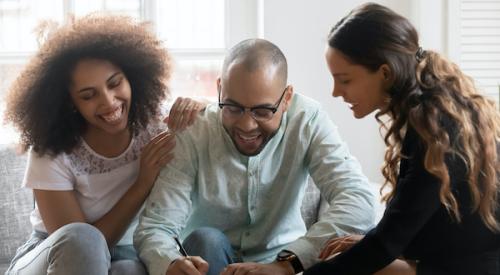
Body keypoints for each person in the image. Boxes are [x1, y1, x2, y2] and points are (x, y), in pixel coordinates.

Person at [134, 38, 377, 275]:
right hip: (209, 261)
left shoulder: (308, 120)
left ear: (287, 98)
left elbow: (358, 199)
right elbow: (157, 225)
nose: (247, 125)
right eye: (233, 107)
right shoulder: (194, 129)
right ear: (219, 89)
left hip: (282, 263)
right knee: (207, 240)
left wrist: (289, 262)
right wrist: (169, 262)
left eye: (263, 111)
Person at [304, 3, 500, 275]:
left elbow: (386, 244)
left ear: (385, 72)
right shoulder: (432, 114)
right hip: (453, 260)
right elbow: (408, 224)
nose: (336, 92)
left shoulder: (436, 130)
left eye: (344, 80)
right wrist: (371, 241)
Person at [4, 14, 204, 275]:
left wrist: (199, 108)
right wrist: (142, 183)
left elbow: (221, 123)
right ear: (69, 102)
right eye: (88, 95)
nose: (109, 102)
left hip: (125, 253)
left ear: (132, 77)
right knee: (84, 239)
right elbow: (83, 250)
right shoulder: (51, 149)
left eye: (115, 83)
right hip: (54, 255)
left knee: (130, 270)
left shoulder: (155, 123)